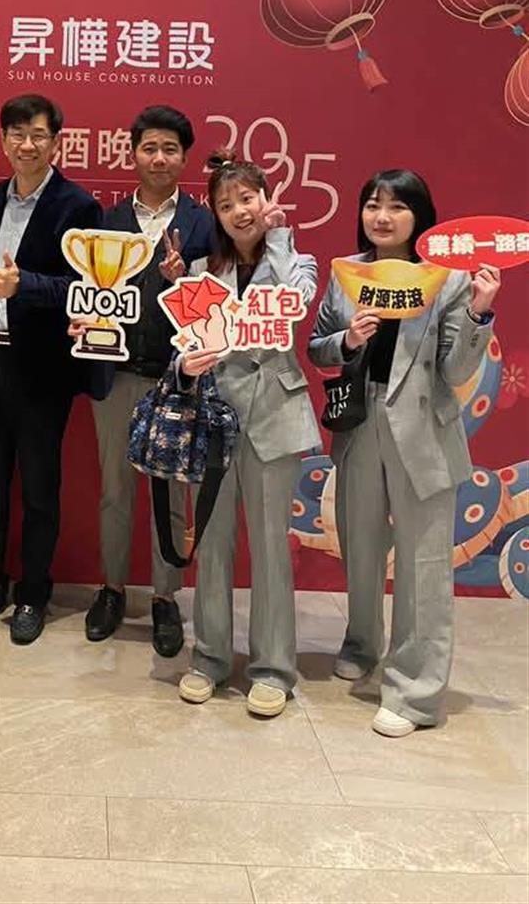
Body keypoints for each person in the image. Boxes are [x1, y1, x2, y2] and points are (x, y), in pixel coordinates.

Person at [309, 169, 500, 737]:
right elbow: (318, 346)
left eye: (397, 206)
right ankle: (361, 643)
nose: (382, 216)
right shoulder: (347, 273)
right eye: (373, 205)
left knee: (424, 566)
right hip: (360, 426)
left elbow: (456, 370)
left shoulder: (449, 279)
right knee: (361, 545)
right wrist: (347, 340)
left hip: (424, 434)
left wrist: (479, 313)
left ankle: (416, 694)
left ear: (420, 217)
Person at [0, 95, 103, 644]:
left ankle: (33, 594)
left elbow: (87, 287)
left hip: (42, 368)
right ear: (2, 139)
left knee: (39, 488)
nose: (27, 144)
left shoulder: (77, 206)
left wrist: (26, 286)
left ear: (56, 141)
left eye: (38, 135)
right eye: (16, 134)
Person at [177, 152, 319, 718]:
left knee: (270, 547)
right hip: (214, 417)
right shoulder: (199, 272)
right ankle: (209, 657)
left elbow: (295, 305)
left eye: (247, 198)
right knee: (212, 544)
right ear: (214, 213)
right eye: (225, 203)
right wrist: (186, 364)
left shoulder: (298, 260)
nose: (239, 211)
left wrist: (279, 239)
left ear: (266, 199)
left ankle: (273, 668)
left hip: (273, 418)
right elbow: (187, 343)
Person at [84, 106, 213, 656]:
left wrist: (185, 281)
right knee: (114, 492)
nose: (159, 158)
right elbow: (91, 293)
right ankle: (112, 590)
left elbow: (214, 305)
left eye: (170, 149)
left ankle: (165, 597)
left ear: (184, 158)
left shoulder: (204, 223)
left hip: (176, 379)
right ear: (133, 153)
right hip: (116, 376)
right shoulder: (108, 221)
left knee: (171, 495)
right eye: (149, 148)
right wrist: (83, 320)